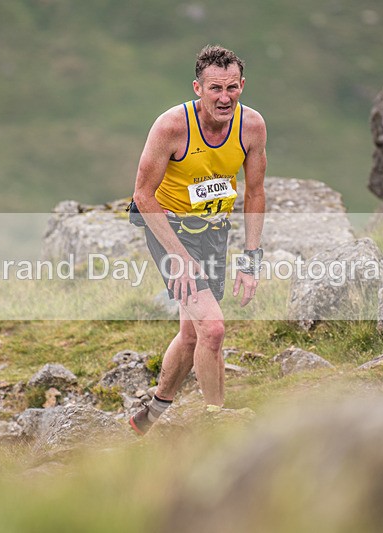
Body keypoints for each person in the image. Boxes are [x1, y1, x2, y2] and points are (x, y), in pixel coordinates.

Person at [129, 44, 267, 435]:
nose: (224, 98)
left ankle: (151, 415)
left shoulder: (251, 126)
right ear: (197, 88)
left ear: (242, 85)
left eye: (232, 88)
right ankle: (216, 422)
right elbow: (142, 195)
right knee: (213, 328)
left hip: (213, 231)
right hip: (167, 228)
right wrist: (180, 258)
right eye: (215, 89)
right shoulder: (172, 127)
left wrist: (251, 258)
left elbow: (255, 193)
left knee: (191, 333)